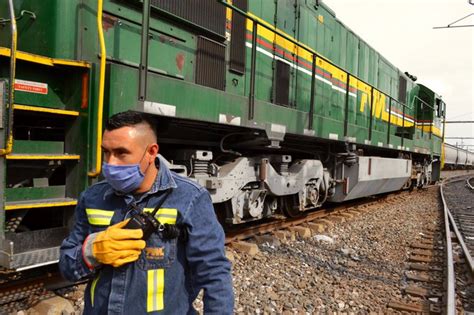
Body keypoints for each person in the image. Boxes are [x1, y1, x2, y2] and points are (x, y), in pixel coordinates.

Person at [59, 111, 234, 314]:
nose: (110, 163)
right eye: (106, 152)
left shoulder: (190, 198)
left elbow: (215, 274)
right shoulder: (92, 197)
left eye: (121, 153)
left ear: (151, 152)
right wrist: (91, 253)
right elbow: (66, 265)